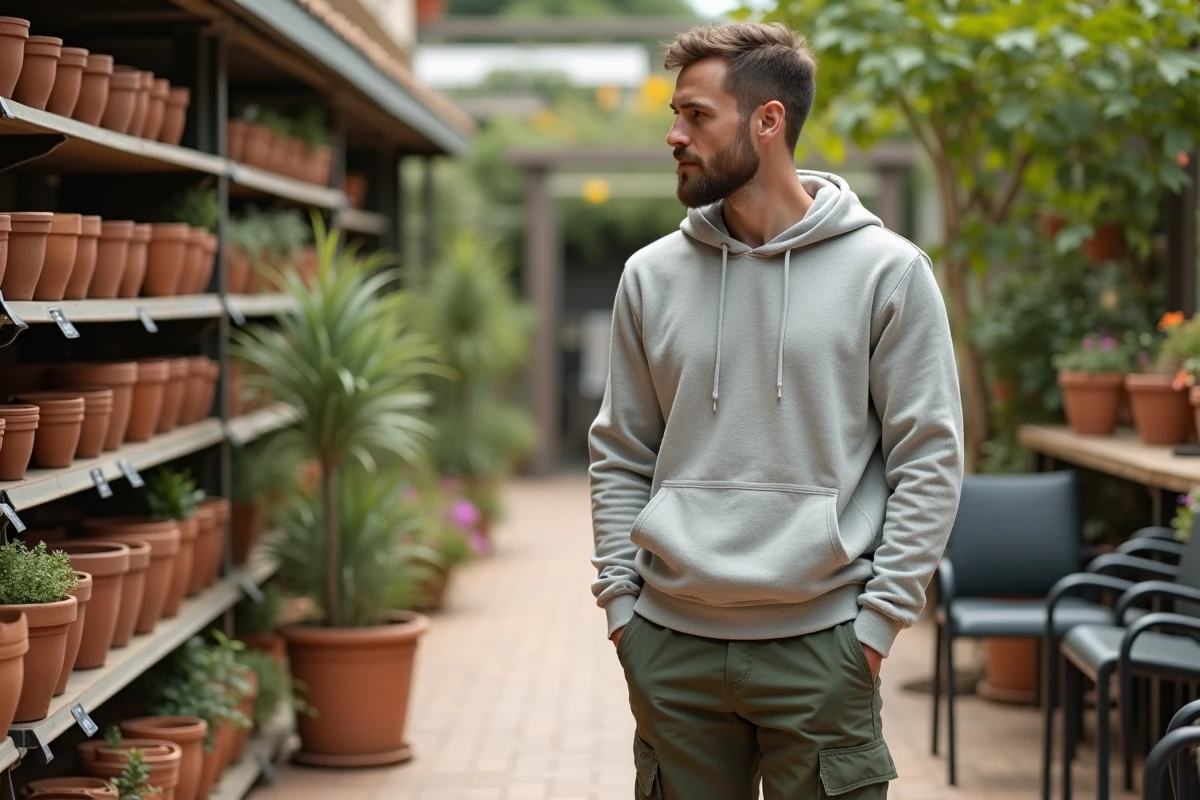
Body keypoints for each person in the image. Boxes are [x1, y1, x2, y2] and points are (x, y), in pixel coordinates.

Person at [587, 20, 965, 799]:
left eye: (697, 115)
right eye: (675, 114)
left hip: (824, 645)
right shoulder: (649, 277)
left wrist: (877, 627)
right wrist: (624, 610)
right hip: (671, 648)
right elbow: (621, 451)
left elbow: (928, 456)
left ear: (768, 120)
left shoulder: (888, 272)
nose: (674, 135)